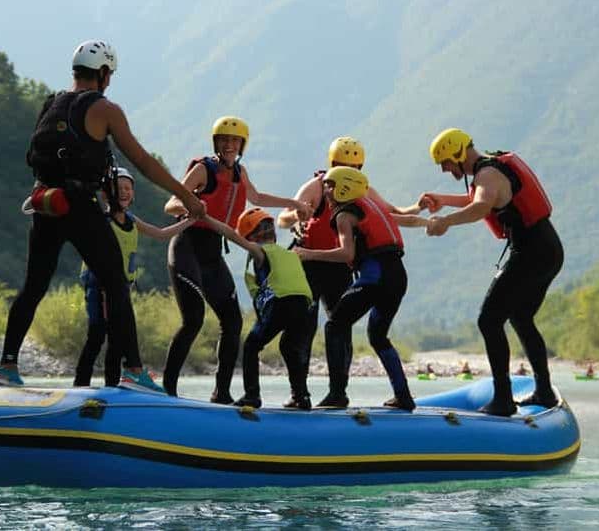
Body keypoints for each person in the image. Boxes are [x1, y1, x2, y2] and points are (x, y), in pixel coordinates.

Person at [0, 40, 204, 390]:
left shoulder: (52, 103)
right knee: (116, 283)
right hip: (78, 205)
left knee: (33, 286)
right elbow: (144, 163)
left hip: (45, 202)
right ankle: (134, 371)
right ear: (104, 74)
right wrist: (187, 197)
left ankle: (6, 366)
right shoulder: (105, 108)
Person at [163, 116, 313, 403]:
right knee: (193, 320)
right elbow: (170, 204)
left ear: (242, 145)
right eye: (224, 140)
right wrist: (191, 207)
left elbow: (256, 196)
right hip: (187, 247)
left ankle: (222, 393)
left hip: (211, 253)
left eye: (235, 141)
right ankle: (168, 390)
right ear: (216, 143)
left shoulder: (239, 173)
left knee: (232, 322)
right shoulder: (202, 169)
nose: (229, 145)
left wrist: (292, 203)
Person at [420, 128, 563, 415]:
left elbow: (481, 207)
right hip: (547, 249)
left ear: (459, 153)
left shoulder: (486, 175)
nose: (446, 170)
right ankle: (544, 391)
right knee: (521, 317)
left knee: (489, 320)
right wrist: (444, 199)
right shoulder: (489, 170)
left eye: (446, 162)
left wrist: (445, 221)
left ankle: (502, 399)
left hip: (531, 253)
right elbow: (480, 199)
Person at [277, 137, 421, 398]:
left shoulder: (359, 196)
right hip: (313, 269)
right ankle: (301, 394)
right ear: (332, 164)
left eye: (355, 167)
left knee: (338, 326)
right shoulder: (318, 187)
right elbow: (283, 218)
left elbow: (395, 214)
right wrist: (298, 215)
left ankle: (338, 393)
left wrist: (422, 211)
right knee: (307, 328)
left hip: (343, 266)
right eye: (343, 166)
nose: (348, 173)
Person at [74, 168, 194, 388]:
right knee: (97, 335)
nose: (124, 192)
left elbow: (160, 234)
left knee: (117, 341)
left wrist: (191, 220)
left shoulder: (131, 220)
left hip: (121, 289)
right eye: (118, 188)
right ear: (106, 193)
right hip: (99, 288)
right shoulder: (100, 220)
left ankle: (112, 387)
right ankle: (80, 385)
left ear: (133, 193)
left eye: (128, 188)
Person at [203, 208, 314, 409]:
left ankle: (252, 396)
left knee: (251, 346)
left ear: (252, 237)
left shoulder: (260, 251)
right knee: (290, 348)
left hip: (281, 304)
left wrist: (204, 217)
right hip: (304, 307)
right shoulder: (291, 254)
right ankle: (301, 397)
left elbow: (229, 234)